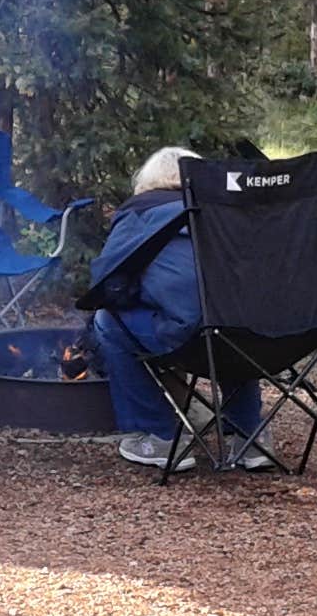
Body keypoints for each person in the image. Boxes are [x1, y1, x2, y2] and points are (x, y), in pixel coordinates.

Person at [79, 145, 268, 472]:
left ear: (148, 181)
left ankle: (160, 437)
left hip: (189, 338)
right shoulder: (231, 213)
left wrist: (140, 293)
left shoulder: (142, 211)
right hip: (263, 335)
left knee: (107, 322)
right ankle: (251, 439)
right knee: (231, 319)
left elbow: (110, 284)